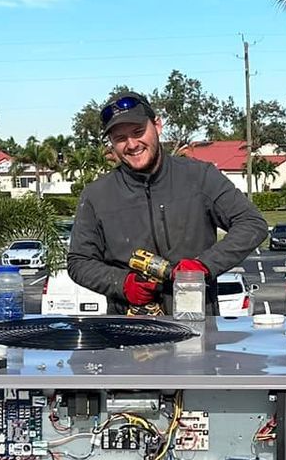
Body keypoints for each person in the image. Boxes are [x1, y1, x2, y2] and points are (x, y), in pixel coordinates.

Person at [66, 91, 267, 312]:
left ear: (157, 126)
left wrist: (204, 266)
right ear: (111, 143)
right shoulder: (96, 195)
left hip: (195, 326)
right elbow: (79, 261)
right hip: (128, 331)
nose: (132, 144)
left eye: (138, 131)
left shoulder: (200, 177)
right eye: (120, 138)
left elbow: (252, 223)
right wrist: (121, 283)